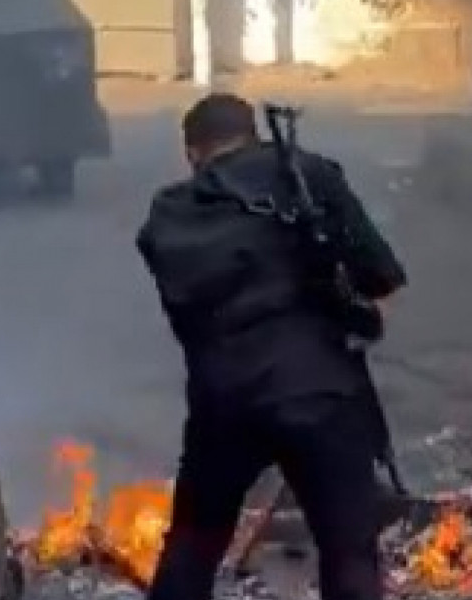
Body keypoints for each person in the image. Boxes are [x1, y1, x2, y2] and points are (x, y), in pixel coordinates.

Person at [136, 92, 408, 600]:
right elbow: (383, 277)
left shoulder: (167, 215)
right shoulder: (306, 177)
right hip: (318, 393)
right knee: (348, 549)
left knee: (193, 545)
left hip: (223, 404)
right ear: (253, 136)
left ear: (193, 152)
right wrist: (353, 310)